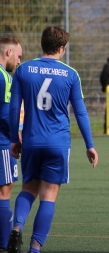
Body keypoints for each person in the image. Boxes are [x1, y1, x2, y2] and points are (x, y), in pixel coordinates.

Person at [7, 26, 98, 253]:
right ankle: (35, 249)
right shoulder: (70, 74)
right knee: (49, 195)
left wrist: (13, 138)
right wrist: (90, 145)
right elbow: (80, 113)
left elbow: (13, 109)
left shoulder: (24, 70)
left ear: (42, 44)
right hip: (58, 144)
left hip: (31, 141)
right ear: (61, 48)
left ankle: (17, 225)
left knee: (28, 189)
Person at [0, 35, 22, 252]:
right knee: (5, 189)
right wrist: (17, 137)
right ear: (8, 52)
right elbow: (6, 116)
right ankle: (5, 244)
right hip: (1, 143)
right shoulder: (4, 78)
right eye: (18, 56)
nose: (18, 62)